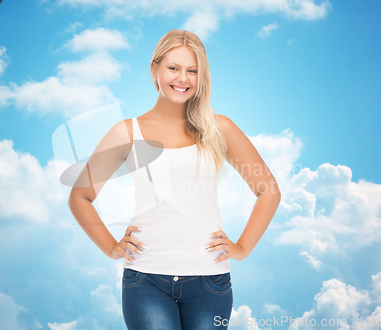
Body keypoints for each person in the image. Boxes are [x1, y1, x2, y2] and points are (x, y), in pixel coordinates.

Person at [68, 29, 281, 330]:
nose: (183, 78)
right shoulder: (127, 133)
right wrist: (111, 247)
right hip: (145, 281)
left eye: (192, 71)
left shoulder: (219, 130)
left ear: (201, 77)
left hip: (210, 282)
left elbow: (268, 190)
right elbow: (80, 196)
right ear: (154, 69)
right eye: (173, 68)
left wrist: (243, 247)